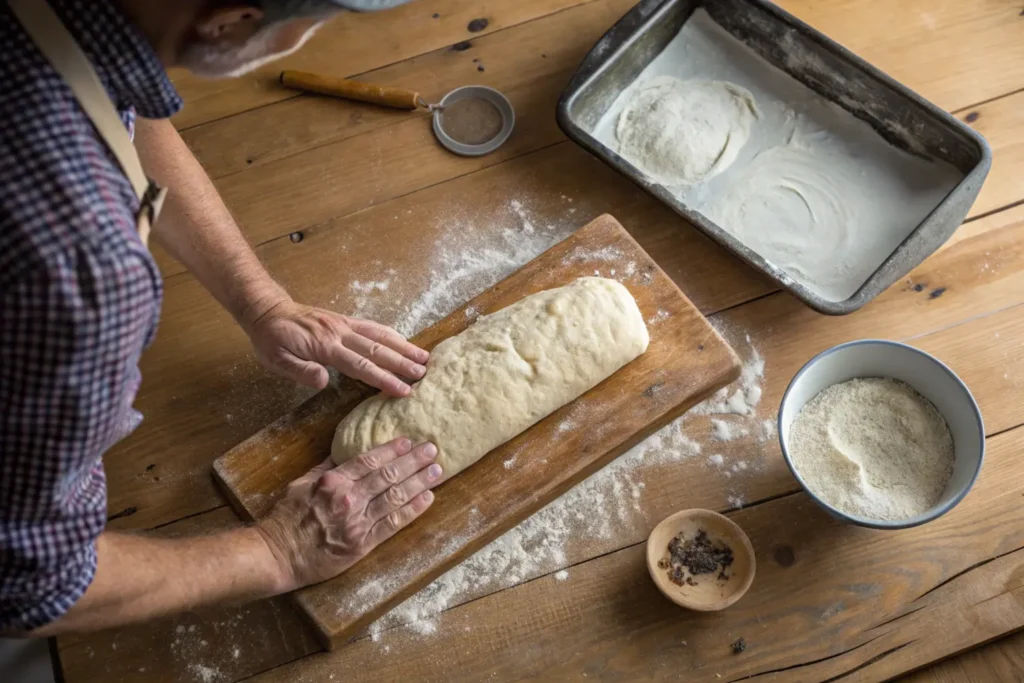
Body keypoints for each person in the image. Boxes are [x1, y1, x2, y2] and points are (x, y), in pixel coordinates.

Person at [0, 0, 434, 638]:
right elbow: (28, 583)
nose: (303, 37)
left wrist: (261, 300)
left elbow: (109, 109)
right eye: (311, 25)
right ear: (229, 22)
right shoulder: (84, 271)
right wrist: (279, 549)